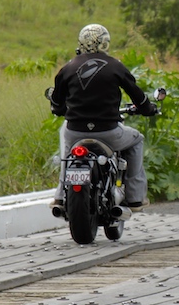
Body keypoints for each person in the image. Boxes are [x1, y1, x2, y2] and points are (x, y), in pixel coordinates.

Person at [48, 23, 158, 210]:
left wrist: (60, 110)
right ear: (105, 43)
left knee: (67, 149)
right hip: (108, 132)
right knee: (137, 139)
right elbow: (138, 96)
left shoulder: (67, 68)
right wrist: (148, 108)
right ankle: (135, 196)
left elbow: (57, 103)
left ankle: (59, 195)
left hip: (75, 131)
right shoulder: (115, 66)